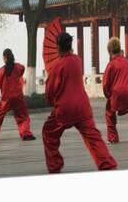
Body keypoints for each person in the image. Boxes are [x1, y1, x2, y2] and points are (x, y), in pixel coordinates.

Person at [42, 31, 117, 174]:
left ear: (58, 47)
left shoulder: (57, 66)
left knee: (48, 132)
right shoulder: (77, 60)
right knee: (94, 138)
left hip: (64, 109)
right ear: (70, 45)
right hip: (82, 107)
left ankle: (55, 164)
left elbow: (50, 90)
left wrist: (51, 102)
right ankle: (108, 164)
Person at [0, 48, 36, 141]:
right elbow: (22, 69)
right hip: (18, 97)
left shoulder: (2, 71)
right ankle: (25, 133)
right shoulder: (18, 67)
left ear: (4, 58)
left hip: (6, 99)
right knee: (22, 115)